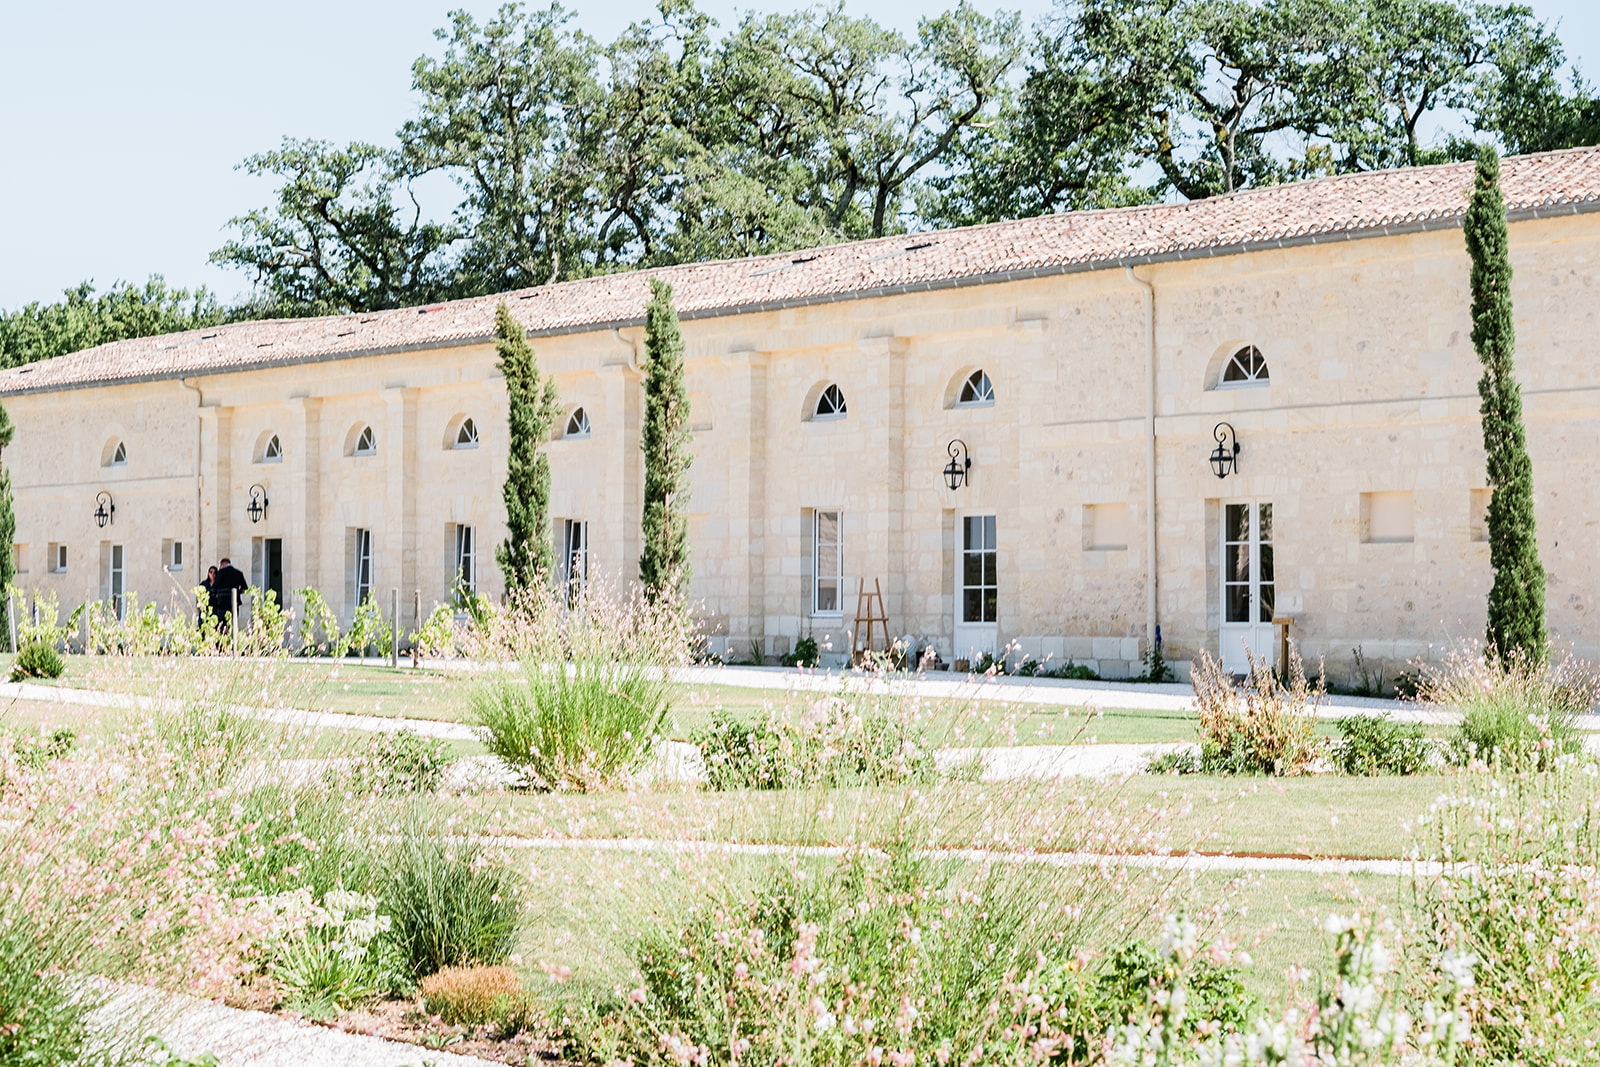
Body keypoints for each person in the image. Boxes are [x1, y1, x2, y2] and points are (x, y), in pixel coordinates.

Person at [210, 557, 249, 630]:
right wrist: (236, 592)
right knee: (233, 623)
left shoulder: (221, 572)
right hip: (234, 602)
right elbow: (245, 588)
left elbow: (214, 587)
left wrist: (216, 594)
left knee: (221, 624)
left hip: (222, 602)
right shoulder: (238, 573)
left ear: (223, 564)